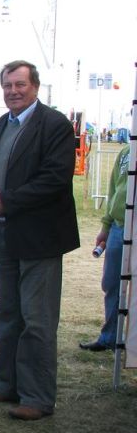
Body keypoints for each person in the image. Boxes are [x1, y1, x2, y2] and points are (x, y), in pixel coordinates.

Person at [0, 60, 79, 421]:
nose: (13, 91)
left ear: (36, 86)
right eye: (7, 86)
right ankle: (6, 386)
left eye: (19, 84)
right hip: (4, 236)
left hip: (40, 239)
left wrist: (9, 200)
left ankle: (37, 397)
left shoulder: (55, 124)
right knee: (8, 314)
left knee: (37, 319)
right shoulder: (1, 124)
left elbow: (56, 178)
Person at [80, 144, 129, 352]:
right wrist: (106, 226)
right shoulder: (126, 152)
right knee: (111, 283)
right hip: (118, 226)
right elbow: (113, 190)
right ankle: (110, 337)